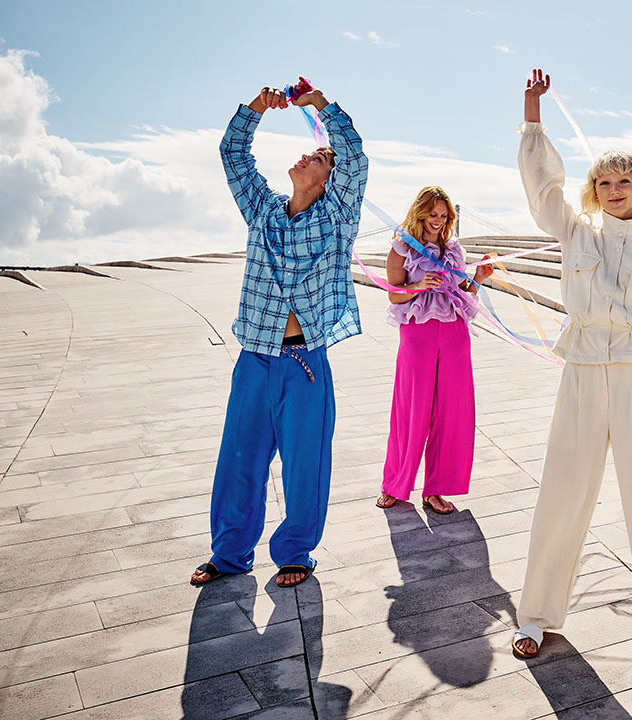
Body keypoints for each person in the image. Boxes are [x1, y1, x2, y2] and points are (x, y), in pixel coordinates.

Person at [511, 69, 632, 670]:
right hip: (583, 372)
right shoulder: (575, 232)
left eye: (624, 180)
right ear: (593, 188)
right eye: (604, 181)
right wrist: (533, 116)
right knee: (562, 489)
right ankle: (536, 616)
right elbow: (543, 188)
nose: (614, 189)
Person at [191, 80, 368, 588]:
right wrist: (257, 108)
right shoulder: (263, 211)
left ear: (330, 179)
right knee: (239, 459)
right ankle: (229, 553)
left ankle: (295, 551)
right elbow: (233, 154)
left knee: (304, 463)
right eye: (310, 152)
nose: (307, 156)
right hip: (254, 359)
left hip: (304, 363)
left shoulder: (337, 218)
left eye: (319, 157)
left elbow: (355, 158)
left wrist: (320, 105)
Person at [376, 186, 492, 514]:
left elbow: (462, 291)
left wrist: (479, 278)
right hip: (418, 333)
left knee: (453, 412)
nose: (438, 220)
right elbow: (393, 294)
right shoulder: (402, 248)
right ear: (420, 213)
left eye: (443, 215)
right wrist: (418, 285)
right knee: (411, 410)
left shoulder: (454, 250)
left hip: (455, 333)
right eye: (432, 214)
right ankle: (393, 484)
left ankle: (436, 489)